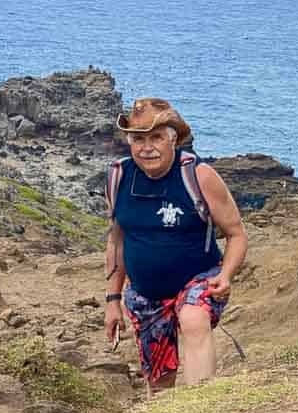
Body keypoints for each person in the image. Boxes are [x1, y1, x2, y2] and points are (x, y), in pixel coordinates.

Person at [104, 98, 248, 395]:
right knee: (158, 383)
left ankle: (200, 405)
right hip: (145, 292)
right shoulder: (119, 176)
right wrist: (112, 300)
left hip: (199, 277)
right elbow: (116, 239)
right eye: (139, 139)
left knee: (193, 318)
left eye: (156, 137)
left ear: (173, 140)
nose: (147, 147)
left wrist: (227, 275)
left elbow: (236, 234)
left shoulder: (198, 175)